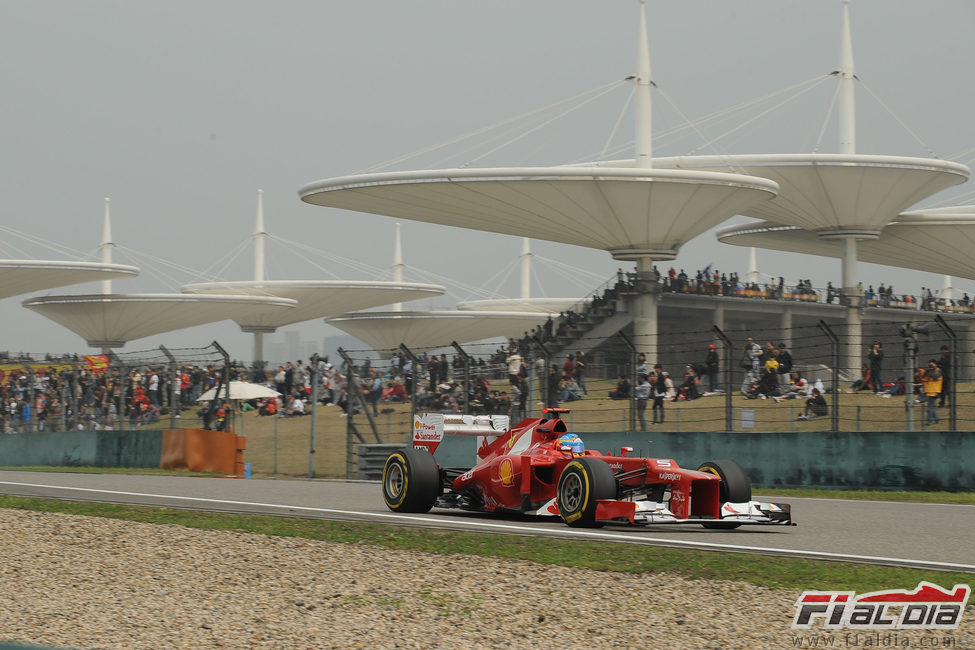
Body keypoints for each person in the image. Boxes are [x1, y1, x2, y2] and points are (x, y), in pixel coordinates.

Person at [920, 359, 943, 425]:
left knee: (930, 408)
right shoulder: (929, 371)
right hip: (929, 391)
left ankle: (929, 422)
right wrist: (927, 371)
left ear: (936, 364)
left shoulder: (938, 370)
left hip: (935, 391)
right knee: (932, 407)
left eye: (932, 364)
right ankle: (937, 420)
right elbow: (923, 378)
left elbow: (935, 377)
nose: (931, 366)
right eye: (929, 364)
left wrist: (931, 370)